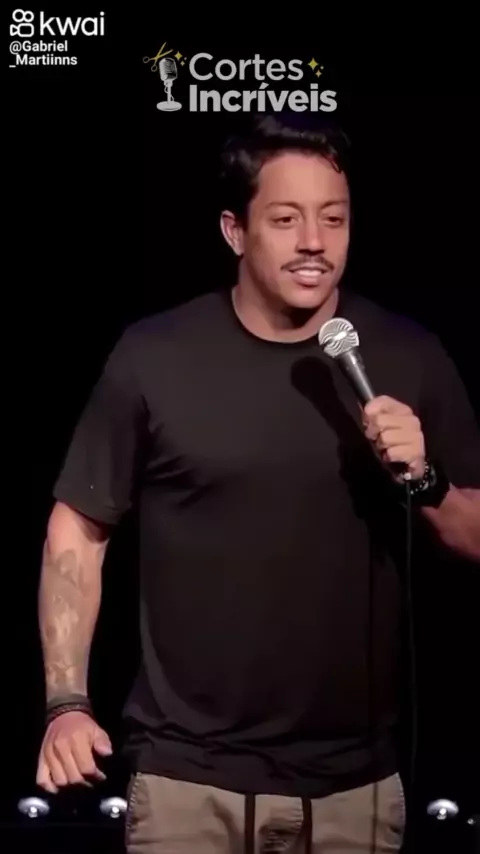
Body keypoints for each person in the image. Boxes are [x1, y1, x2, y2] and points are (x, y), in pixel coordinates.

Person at [36, 112, 480, 854]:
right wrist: (65, 703)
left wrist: (426, 480)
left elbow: (473, 533)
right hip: (187, 782)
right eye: (285, 219)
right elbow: (77, 529)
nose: (314, 242)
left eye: (333, 219)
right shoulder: (156, 356)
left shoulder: (409, 355)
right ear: (235, 231)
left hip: (356, 790)